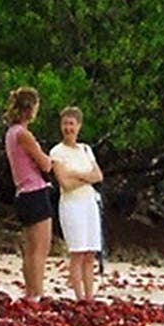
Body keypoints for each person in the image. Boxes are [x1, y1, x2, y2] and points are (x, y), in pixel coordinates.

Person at [4, 87, 55, 299]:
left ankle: (30, 292)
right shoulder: (24, 135)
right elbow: (45, 163)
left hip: (22, 192)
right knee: (40, 248)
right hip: (35, 191)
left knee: (30, 247)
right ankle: (37, 292)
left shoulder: (10, 133)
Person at [48, 107, 104, 300]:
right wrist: (85, 177)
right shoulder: (57, 152)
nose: (68, 128)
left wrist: (77, 174)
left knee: (90, 253)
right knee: (78, 252)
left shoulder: (86, 149)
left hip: (89, 203)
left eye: (72, 124)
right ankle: (79, 297)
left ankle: (90, 296)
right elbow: (65, 183)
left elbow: (98, 175)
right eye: (65, 123)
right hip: (72, 205)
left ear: (79, 126)